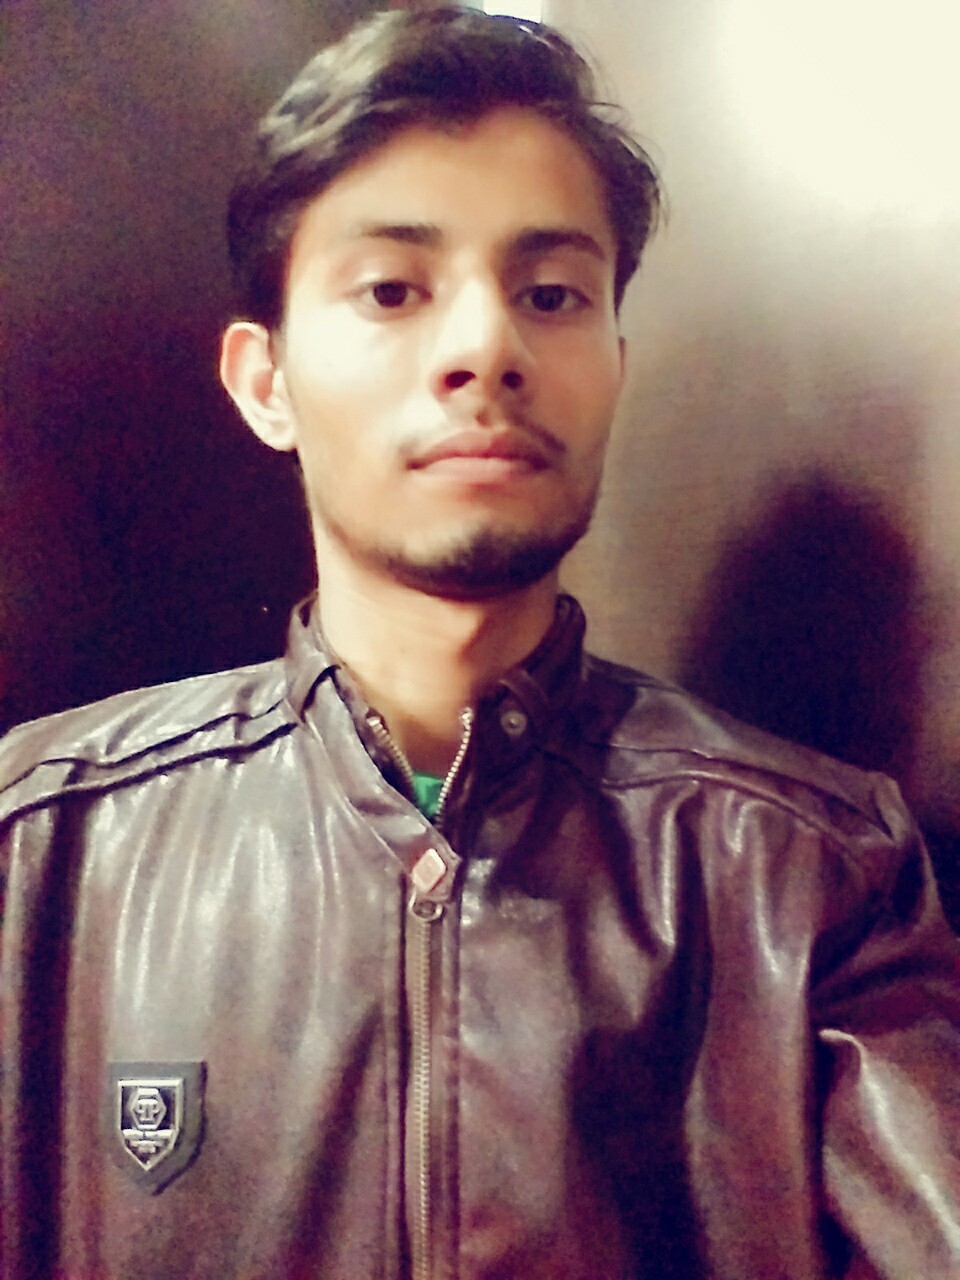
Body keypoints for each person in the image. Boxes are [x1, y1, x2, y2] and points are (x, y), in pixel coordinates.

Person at [1, 8, 957, 1279]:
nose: (484, 348)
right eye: (393, 290)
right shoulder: (45, 852)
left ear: (612, 365)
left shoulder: (814, 876)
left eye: (550, 295)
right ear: (265, 382)